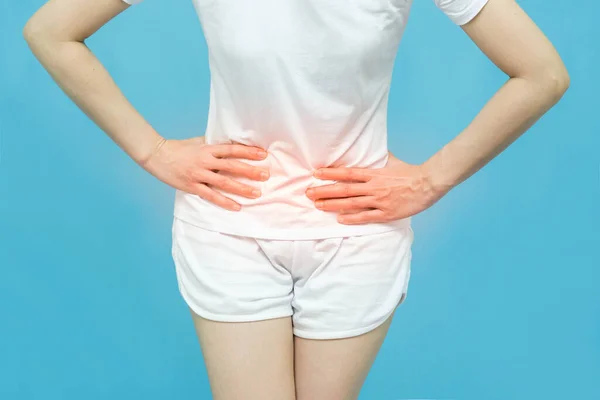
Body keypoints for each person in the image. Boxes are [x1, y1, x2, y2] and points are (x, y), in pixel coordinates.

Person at [23, 0, 569, 398]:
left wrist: (431, 180)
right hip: (229, 227)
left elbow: (542, 73)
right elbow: (51, 30)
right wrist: (152, 151)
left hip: (355, 234)